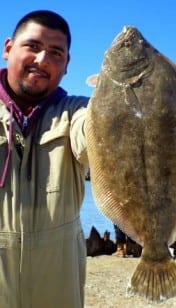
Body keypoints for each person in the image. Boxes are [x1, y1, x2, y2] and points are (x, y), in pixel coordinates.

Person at [0, 10, 89, 308]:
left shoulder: (77, 111)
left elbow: (95, 132)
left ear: (66, 65)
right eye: (33, 47)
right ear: (8, 48)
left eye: (55, 53)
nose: (42, 60)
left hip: (58, 287)